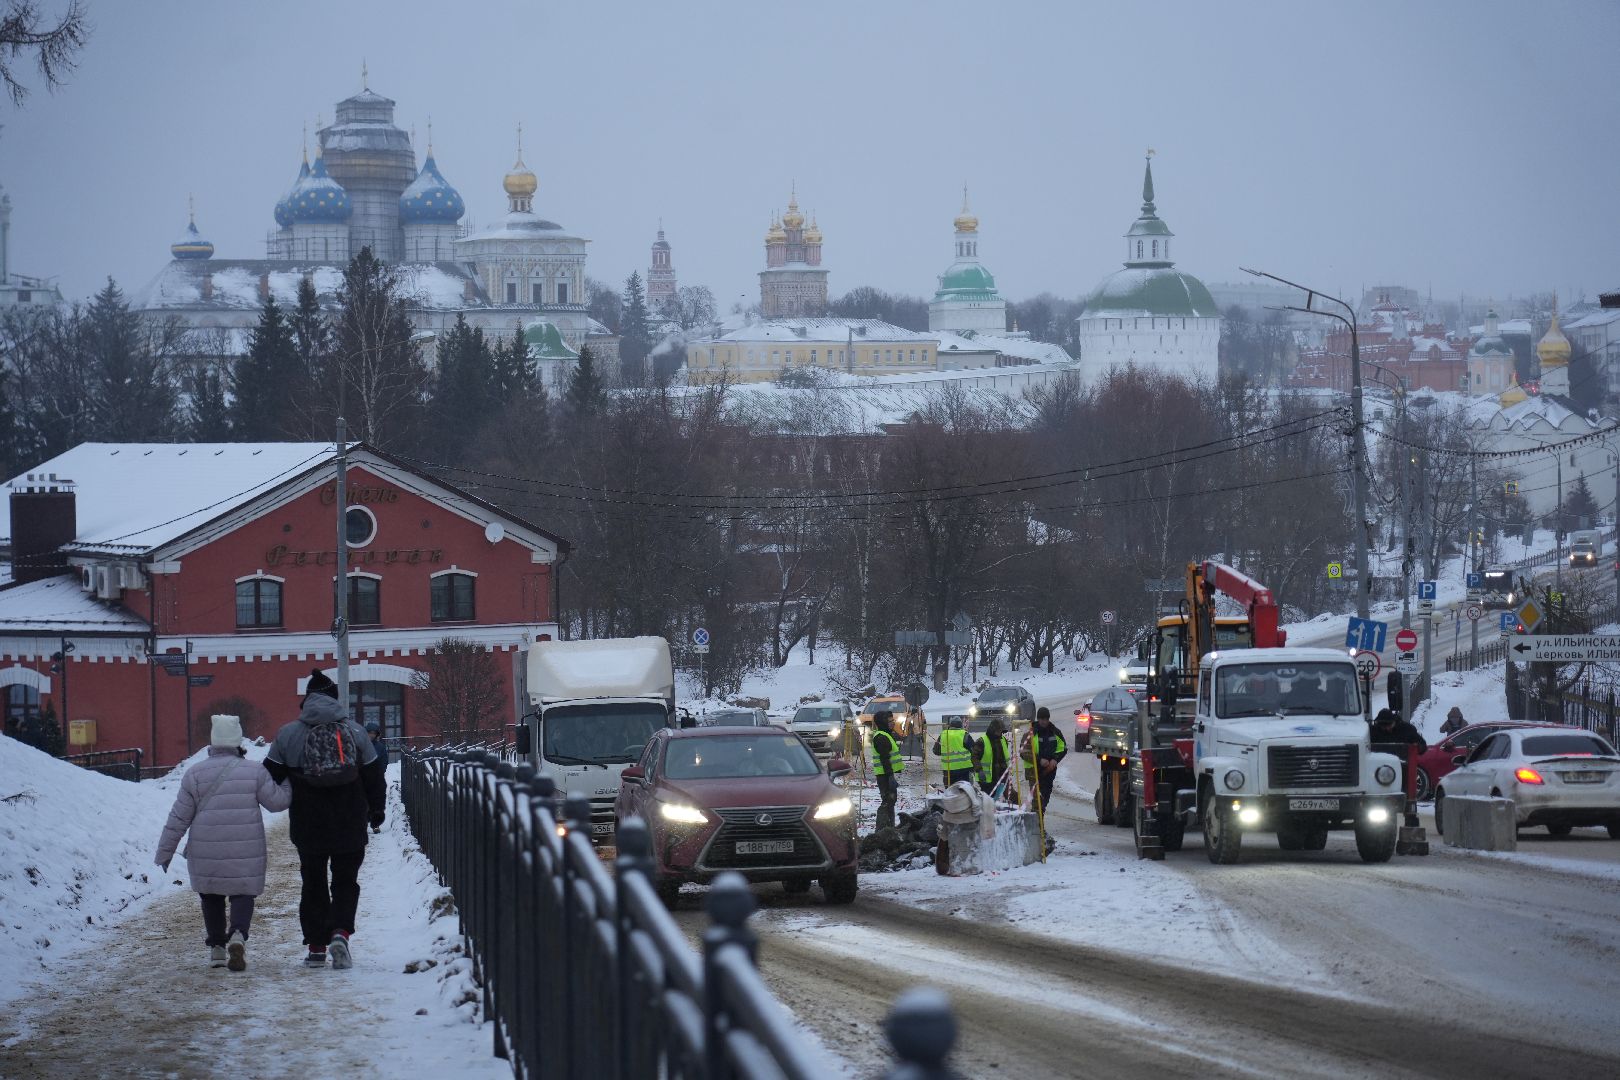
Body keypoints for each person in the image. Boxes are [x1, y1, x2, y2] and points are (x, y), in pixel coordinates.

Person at [265, 670, 385, 970]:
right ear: (335, 699)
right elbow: (374, 778)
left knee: (313, 882)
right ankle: (340, 933)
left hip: (308, 824)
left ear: (307, 700)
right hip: (349, 820)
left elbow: (269, 777)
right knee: (346, 881)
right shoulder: (356, 733)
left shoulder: (288, 734)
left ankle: (317, 947)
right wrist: (376, 811)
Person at [154, 714, 291, 971]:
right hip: (245, 847)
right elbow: (277, 803)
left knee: (211, 895)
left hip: (206, 848)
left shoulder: (194, 774)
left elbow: (178, 817)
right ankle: (238, 934)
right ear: (237, 740)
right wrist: (287, 779)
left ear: (213, 741)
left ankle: (217, 948)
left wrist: (165, 852)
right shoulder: (254, 771)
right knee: (242, 893)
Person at [1022, 707, 1068, 811]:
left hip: (1048, 772)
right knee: (1036, 801)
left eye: (1046, 719)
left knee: (1044, 799)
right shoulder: (1030, 734)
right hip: (1033, 771)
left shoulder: (1055, 732)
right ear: (1038, 719)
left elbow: (1063, 748)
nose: (1044, 721)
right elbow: (1023, 752)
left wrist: (1055, 760)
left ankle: (1039, 821)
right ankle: (1038, 825)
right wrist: (1039, 760)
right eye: (1041, 719)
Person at [870, 711, 903, 832]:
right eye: (889, 721)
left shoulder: (885, 734)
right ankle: (885, 829)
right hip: (884, 775)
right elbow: (885, 759)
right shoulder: (882, 737)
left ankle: (890, 828)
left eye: (892, 720)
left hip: (886, 774)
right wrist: (890, 777)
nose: (893, 723)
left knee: (890, 802)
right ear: (883, 723)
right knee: (888, 801)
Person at [932, 715, 975, 786]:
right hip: (965, 769)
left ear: (950, 725)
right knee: (966, 792)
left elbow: (936, 751)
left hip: (948, 770)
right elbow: (974, 751)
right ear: (961, 725)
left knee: (950, 793)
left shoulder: (943, 735)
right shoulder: (964, 734)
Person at [974, 716, 1010, 796]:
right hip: (987, 779)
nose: (1000, 733)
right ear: (993, 730)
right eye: (999, 731)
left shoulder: (1003, 740)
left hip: (1002, 776)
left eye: (1001, 731)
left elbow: (1004, 757)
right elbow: (974, 757)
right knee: (989, 800)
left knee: (1005, 797)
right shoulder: (982, 741)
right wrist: (979, 770)